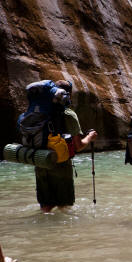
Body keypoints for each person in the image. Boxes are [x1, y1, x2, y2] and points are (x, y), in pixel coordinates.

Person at [35, 80, 98, 212]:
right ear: (67, 95)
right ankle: (64, 232)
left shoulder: (38, 112)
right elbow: (78, 146)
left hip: (40, 162)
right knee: (64, 208)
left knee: (46, 208)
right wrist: (90, 137)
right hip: (61, 165)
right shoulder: (68, 114)